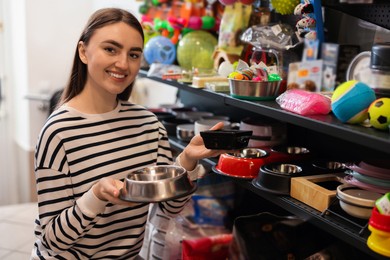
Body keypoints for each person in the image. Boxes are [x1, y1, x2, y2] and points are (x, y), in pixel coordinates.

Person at [31, 8, 226, 259]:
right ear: (83, 52)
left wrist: (188, 161)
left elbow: (169, 207)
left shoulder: (148, 124)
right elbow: (51, 242)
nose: (123, 64)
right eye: (110, 49)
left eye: (133, 54)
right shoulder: (57, 132)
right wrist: (96, 196)